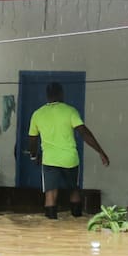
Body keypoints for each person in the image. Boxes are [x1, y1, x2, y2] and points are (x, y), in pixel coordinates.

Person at [27, 82, 109, 219]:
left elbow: (32, 139)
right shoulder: (70, 111)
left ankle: (51, 227)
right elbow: (84, 133)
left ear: (47, 96)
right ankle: (76, 219)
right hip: (70, 159)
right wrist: (100, 151)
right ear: (61, 94)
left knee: (50, 193)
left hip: (50, 160)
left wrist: (33, 156)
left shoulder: (37, 114)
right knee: (74, 190)